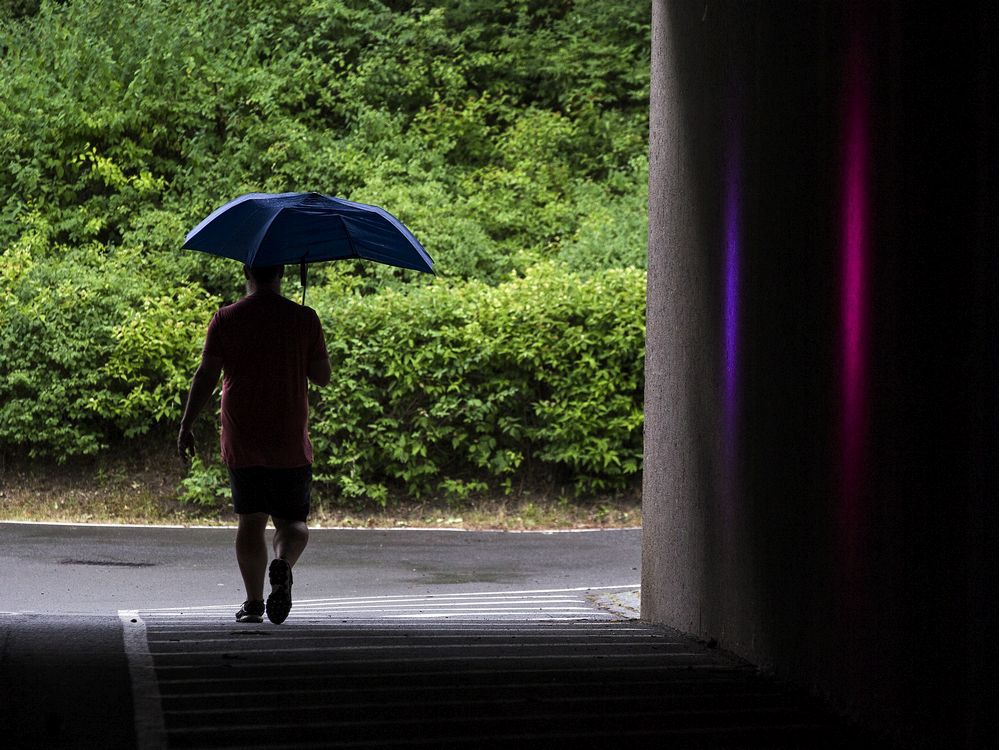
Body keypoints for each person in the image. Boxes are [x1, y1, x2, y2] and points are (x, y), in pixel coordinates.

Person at [177, 264, 331, 624]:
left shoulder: (225, 318)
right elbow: (322, 377)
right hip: (289, 437)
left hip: (242, 435)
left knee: (251, 522)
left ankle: (253, 603)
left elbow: (206, 375)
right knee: (292, 523)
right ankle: (283, 564)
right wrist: (304, 343)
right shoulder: (304, 318)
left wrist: (187, 423)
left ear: (247, 269)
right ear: (281, 271)